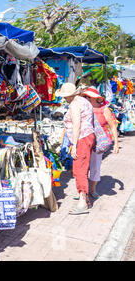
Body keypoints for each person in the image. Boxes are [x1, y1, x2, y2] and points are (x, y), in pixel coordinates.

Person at [56, 83, 95, 215]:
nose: (64, 98)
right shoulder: (84, 101)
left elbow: (77, 125)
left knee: (79, 170)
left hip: (81, 139)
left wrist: (73, 145)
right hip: (88, 136)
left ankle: (83, 201)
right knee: (83, 167)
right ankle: (85, 198)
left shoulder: (74, 104)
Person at [81, 86, 119, 199]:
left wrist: (116, 144)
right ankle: (83, 191)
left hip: (98, 142)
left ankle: (92, 190)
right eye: (85, 96)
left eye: (88, 96)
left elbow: (112, 126)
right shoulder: (83, 108)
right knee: (83, 166)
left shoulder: (104, 109)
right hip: (85, 140)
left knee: (95, 166)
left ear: (94, 98)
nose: (86, 98)